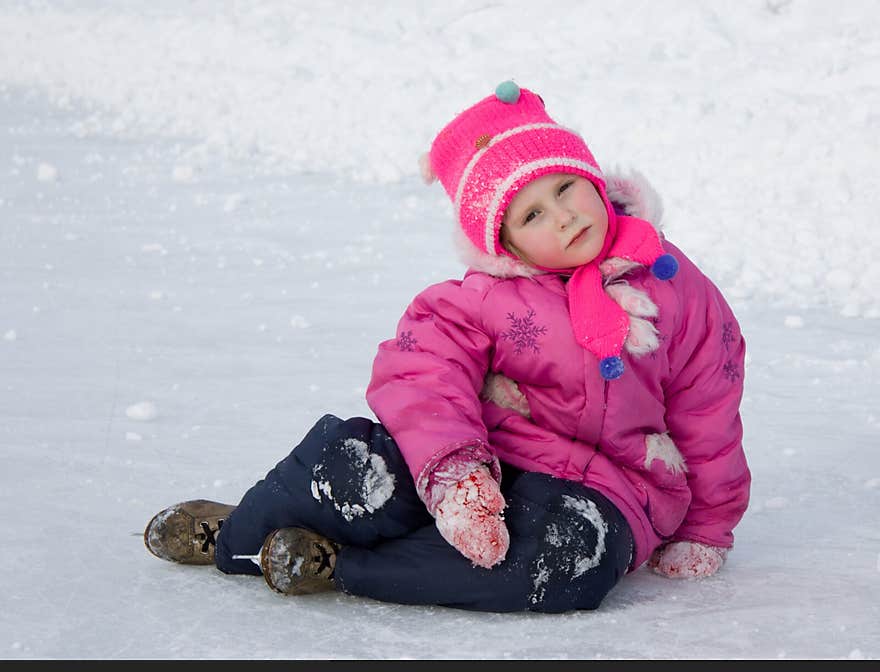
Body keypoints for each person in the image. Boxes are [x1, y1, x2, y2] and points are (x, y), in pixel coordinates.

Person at [144, 81, 750, 613]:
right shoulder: (484, 299)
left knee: (569, 560)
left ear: (594, 177)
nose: (564, 216)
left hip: (606, 489)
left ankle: (342, 564)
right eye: (532, 214)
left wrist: (707, 527)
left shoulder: (676, 290)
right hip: (480, 453)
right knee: (357, 461)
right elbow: (420, 374)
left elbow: (708, 412)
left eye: (568, 188)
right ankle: (241, 533)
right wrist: (455, 472)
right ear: (505, 244)